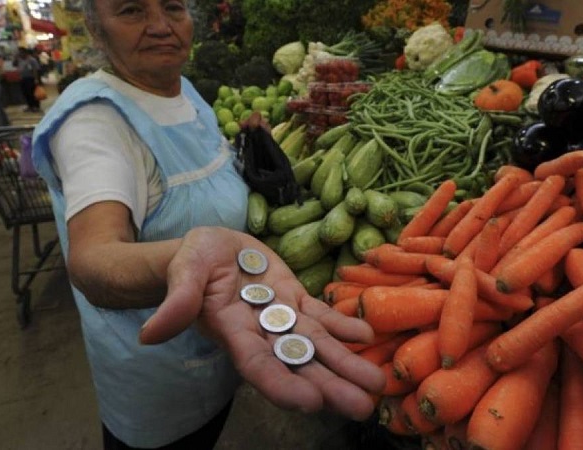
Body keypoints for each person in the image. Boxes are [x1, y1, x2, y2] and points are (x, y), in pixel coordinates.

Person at [30, 1, 385, 449]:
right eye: (132, 10)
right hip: (158, 382)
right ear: (96, 29)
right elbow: (94, 258)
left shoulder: (180, 89)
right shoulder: (94, 124)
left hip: (226, 344)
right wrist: (189, 258)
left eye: (173, 7)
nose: (161, 26)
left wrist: (254, 145)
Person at [14, 47, 42, 113]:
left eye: (21, 52)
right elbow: (14, 65)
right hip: (22, 79)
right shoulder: (19, 60)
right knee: (25, 93)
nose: (20, 54)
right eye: (19, 52)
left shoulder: (32, 60)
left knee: (32, 93)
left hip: (31, 79)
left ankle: (36, 106)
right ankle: (30, 106)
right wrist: (15, 58)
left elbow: (35, 70)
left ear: (25, 52)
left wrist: (36, 79)